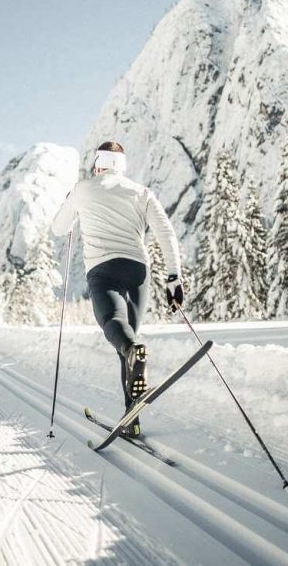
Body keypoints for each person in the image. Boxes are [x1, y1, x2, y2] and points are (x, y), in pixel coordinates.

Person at [51, 141, 184, 437]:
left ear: (98, 164)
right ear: (122, 166)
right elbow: (165, 232)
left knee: (117, 330)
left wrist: (72, 203)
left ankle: (131, 409)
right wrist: (174, 277)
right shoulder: (141, 192)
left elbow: (58, 227)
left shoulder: (84, 187)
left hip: (103, 270)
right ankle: (131, 417)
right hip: (138, 270)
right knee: (130, 344)